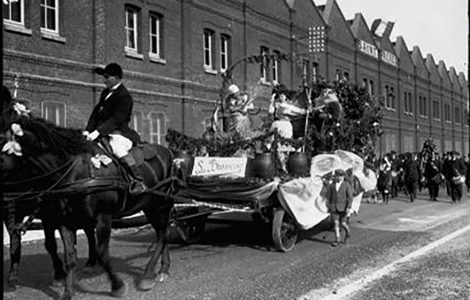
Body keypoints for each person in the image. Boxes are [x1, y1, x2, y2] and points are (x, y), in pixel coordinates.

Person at [84, 62, 146, 195]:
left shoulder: (124, 96)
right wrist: (87, 130)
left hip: (119, 133)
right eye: (104, 77)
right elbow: (96, 113)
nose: (104, 80)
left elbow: (117, 119)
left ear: (117, 78)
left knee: (117, 149)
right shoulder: (106, 93)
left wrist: (97, 132)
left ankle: (138, 180)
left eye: (107, 77)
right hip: (103, 132)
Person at [326, 169, 353, 247]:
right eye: (338, 176)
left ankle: (348, 232)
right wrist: (329, 206)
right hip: (334, 207)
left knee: (343, 223)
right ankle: (337, 240)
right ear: (335, 176)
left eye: (341, 176)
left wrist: (349, 207)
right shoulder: (332, 185)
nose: (339, 178)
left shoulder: (346, 185)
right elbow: (329, 196)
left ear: (343, 177)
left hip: (343, 207)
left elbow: (350, 197)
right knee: (336, 223)